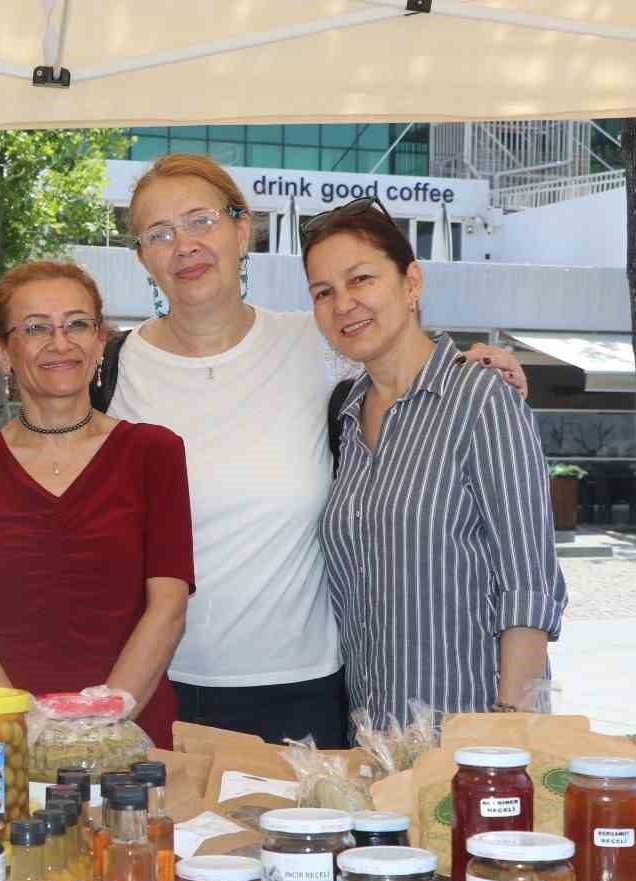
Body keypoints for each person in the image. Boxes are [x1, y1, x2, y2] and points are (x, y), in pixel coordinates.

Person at [90, 154, 528, 748]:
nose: (184, 245)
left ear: (243, 229)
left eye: (201, 221)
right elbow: (55, 453)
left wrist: (477, 364)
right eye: (159, 233)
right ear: (141, 255)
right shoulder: (112, 367)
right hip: (158, 682)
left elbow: (403, 357)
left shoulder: (316, 342)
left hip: (305, 690)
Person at [304, 196, 565, 718]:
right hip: (375, 742)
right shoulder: (344, 416)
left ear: (412, 283)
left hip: (471, 743)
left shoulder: (480, 398)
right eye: (323, 292)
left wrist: (507, 739)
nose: (343, 304)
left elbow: (529, 585)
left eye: (361, 279)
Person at [0, 261, 193, 749]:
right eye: (35, 329)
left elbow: (168, 610)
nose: (60, 343)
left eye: (77, 324)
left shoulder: (154, 453)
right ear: (3, 352)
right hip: (10, 741)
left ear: (99, 342)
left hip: (133, 740)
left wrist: (102, 727)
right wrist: (32, 729)